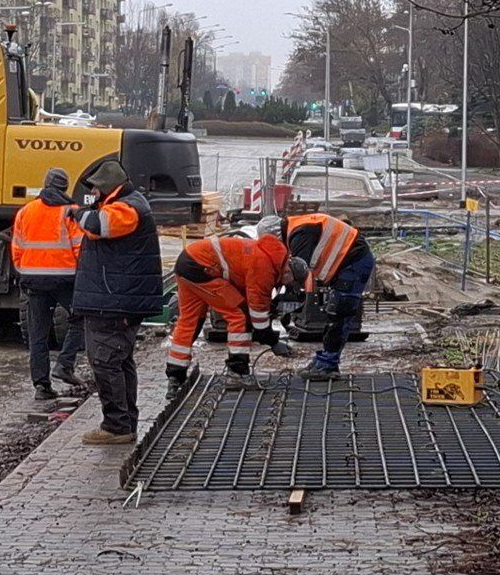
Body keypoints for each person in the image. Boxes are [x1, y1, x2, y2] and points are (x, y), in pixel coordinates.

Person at [70, 157, 164, 445]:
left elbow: (99, 226)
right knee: (119, 361)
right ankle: (124, 422)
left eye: (96, 190)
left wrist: (75, 213)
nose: (93, 196)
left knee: (105, 361)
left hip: (113, 301)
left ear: (106, 187)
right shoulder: (130, 204)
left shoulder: (126, 208)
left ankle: (117, 426)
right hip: (115, 298)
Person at [165, 217, 295, 399]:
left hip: (189, 261)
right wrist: (274, 342)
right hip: (202, 267)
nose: (287, 285)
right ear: (287, 269)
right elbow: (256, 316)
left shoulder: (264, 255)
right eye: (290, 281)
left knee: (190, 320)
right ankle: (237, 372)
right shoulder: (265, 268)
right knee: (239, 315)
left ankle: (175, 376)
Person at [10, 166, 87, 403]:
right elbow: (80, 248)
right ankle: (65, 365)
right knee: (81, 318)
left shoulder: (26, 211)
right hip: (65, 279)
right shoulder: (72, 212)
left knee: (38, 334)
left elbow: (16, 248)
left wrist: (25, 273)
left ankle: (42, 386)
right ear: (65, 187)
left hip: (34, 280)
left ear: (45, 184)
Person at [284, 211, 376, 381]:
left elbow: (300, 270)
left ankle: (328, 364)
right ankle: (325, 360)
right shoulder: (298, 227)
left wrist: (287, 299)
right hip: (349, 262)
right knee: (335, 314)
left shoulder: (299, 233)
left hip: (354, 262)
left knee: (339, 314)